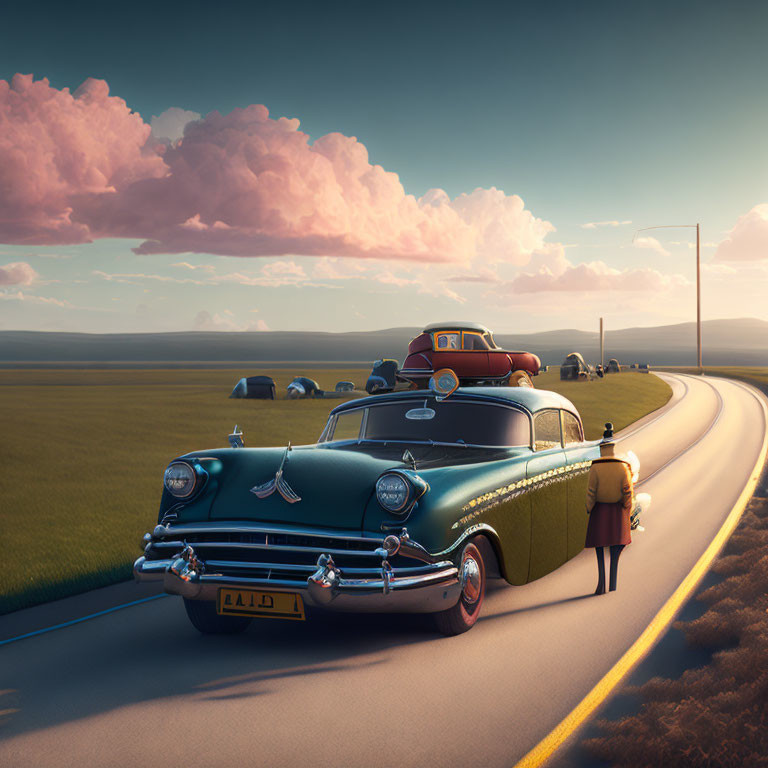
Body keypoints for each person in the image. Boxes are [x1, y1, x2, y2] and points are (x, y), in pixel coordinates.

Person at [585, 422, 634, 594]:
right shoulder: (622, 466)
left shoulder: (596, 467)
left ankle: (602, 584)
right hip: (617, 513)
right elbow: (627, 491)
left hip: (600, 511)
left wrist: (589, 508)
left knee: (600, 549)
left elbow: (591, 491)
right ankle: (612, 584)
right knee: (615, 549)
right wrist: (628, 508)